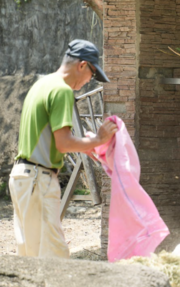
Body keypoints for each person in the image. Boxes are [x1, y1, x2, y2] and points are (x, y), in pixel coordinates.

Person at [9, 39, 118, 258]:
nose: (88, 82)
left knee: (30, 259)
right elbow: (64, 142)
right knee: (55, 261)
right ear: (82, 65)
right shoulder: (62, 91)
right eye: (92, 74)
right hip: (37, 181)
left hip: (23, 178)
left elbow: (49, 138)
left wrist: (84, 146)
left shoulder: (42, 84)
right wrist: (99, 138)